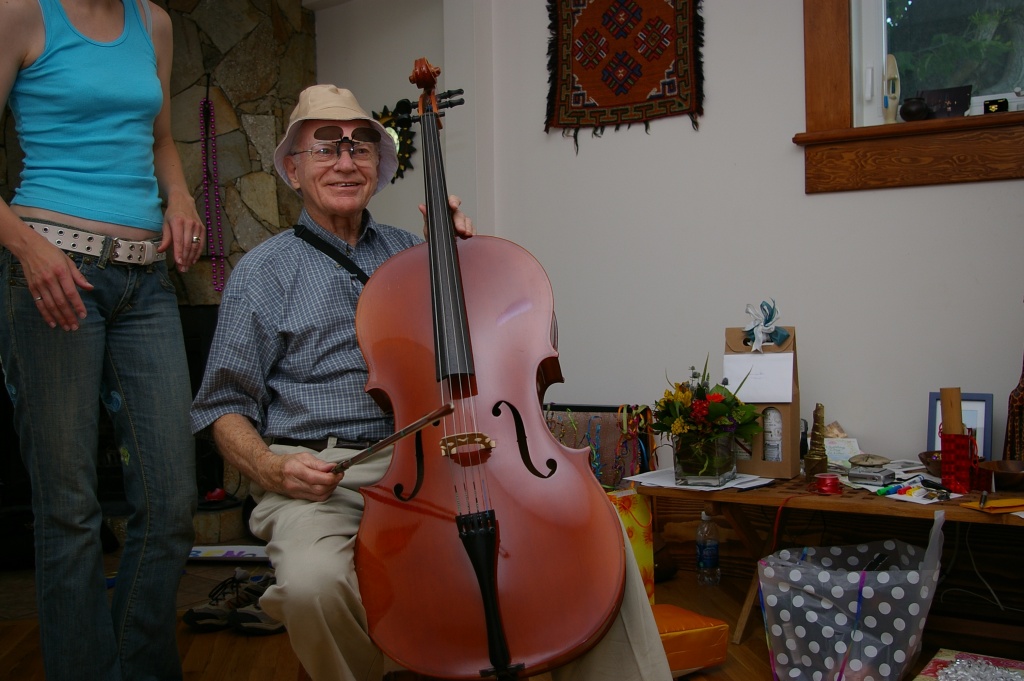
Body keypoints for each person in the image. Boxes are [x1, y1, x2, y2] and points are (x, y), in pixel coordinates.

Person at [190, 83, 672, 681]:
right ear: (293, 169)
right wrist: (270, 468)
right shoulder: (262, 273)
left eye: (360, 147)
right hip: (325, 474)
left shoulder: (414, 252)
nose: (345, 161)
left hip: (439, 455)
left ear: (378, 167)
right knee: (314, 586)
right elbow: (223, 405)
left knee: (590, 534)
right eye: (326, 148)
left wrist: (470, 258)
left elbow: (501, 335)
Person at [0, 1, 203, 680]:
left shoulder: (154, 22)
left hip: (145, 283)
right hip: (52, 273)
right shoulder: (20, 14)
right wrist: (27, 249)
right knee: (69, 510)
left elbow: (161, 139)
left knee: (172, 501)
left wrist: (180, 197)